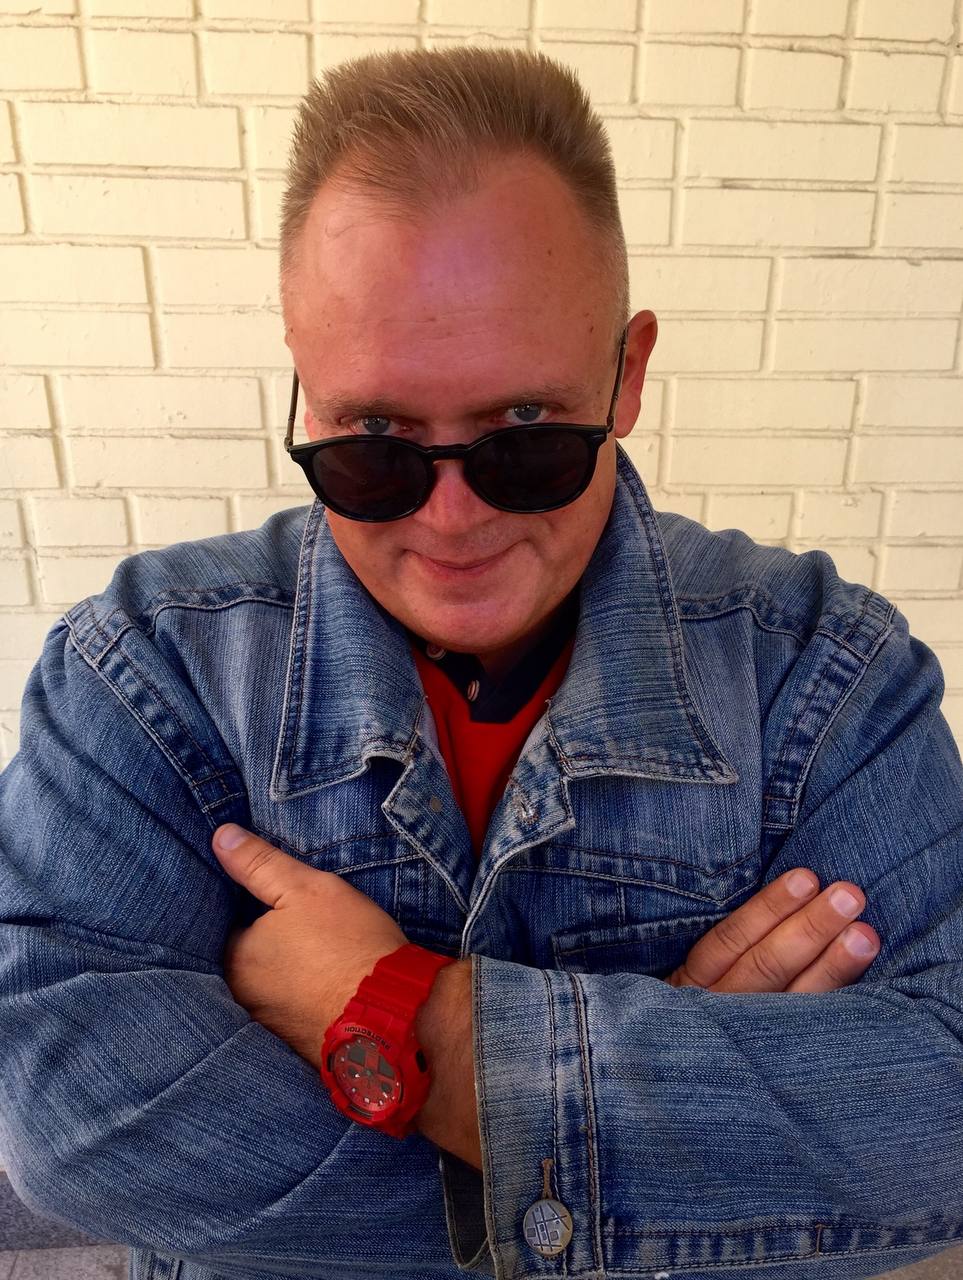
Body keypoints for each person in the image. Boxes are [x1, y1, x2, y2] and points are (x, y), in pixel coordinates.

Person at [0, 46, 961, 1280]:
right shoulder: (146, 664)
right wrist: (682, 1133)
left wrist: (414, 1022)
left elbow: (941, 1114)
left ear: (627, 374)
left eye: (524, 436)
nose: (451, 522)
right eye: (375, 442)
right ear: (304, 387)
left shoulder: (829, 670)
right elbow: (63, 1118)